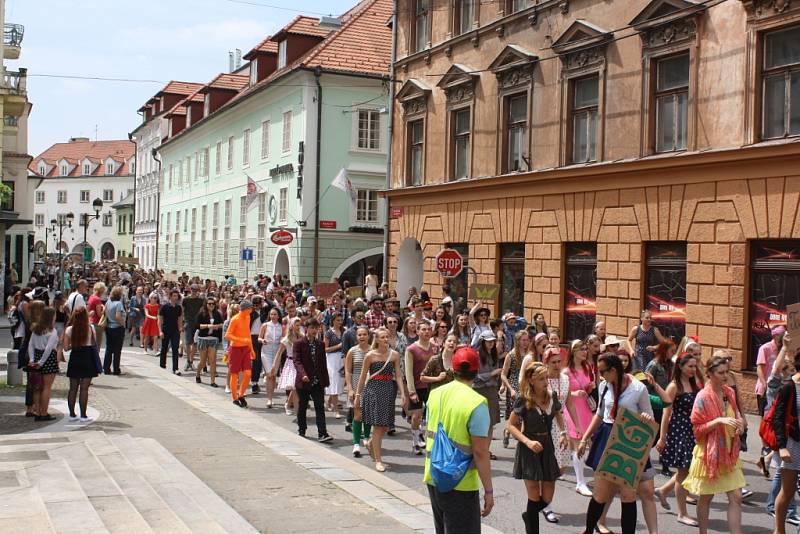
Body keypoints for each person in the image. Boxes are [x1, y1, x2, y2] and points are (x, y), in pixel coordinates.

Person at [578, 353, 658, 534]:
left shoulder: (638, 388)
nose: (600, 376)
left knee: (628, 496)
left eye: (603, 372)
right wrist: (584, 438)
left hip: (628, 440)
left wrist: (645, 418)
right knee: (600, 494)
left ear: (613, 370)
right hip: (607, 437)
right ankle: (588, 530)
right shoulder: (604, 386)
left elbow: (650, 415)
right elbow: (599, 414)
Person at [423, 346, 494, 534]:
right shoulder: (477, 402)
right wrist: (488, 491)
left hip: (434, 475)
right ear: (477, 371)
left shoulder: (435, 394)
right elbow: (480, 451)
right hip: (460, 483)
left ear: (453, 370)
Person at [683, 354, 745, 534]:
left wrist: (740, 424)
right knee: (706, 498)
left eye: (726, 372)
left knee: (736, 497)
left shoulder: (729, 392)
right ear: (709, 374)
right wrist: (718, 421)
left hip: (729, 453)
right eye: (720, 372)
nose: (725, 376)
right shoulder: (702, 397)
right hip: (709, 455)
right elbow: (697, 430)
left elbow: (736, 415)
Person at [507, 361, 568, 534]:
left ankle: (530, 514)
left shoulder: (551, 396)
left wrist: (563, 432)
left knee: (547, 497)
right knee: (534, 495)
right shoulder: (524, 399)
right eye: (541, 379)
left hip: (547, 448)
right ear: (531, 381)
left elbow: (558, 413)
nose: (545, 382)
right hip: (529, 449)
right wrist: (527, 442)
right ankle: (533, 528)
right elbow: (510, 425)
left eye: (546, 378)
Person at [654, 352, 704, 527]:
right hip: (679, 431)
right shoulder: (674, 386)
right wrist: (662, 438)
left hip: (692, 431)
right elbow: (666, 414)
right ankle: (682, 513)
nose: (693, 369)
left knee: (688, 469)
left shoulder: (695, 384)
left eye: (694, 365)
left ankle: (663, 490)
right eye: (690, 366)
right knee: (684, 471)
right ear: (680, 367)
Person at [356, 327, 407, 471]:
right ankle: (378, 460)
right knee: (378, 427)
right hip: (374, 391)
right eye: (383, 337)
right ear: (377, 339)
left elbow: (397, 375)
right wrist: (358, 396)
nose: (386, 340)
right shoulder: (370, 356)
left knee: (385, 426)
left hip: (388, 390)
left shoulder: (395, 355)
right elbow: (362, 377)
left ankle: (370, 443)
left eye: (387, 337)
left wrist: (402, 393)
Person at [563, 339, 595, 497]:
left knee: (584, 444)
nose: (585, 351)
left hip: (586, 409)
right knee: (578, 445)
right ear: (573, 351)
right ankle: (580, 482)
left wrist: (589, 388)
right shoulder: (565, 372)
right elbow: (560, 393)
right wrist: (574, 394)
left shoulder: (587, 367)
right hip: (572, 410)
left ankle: (560, 463)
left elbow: (587, 387)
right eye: (581, 349)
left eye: (585, 349)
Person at [293, 318, 333, 442]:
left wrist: (325, 380)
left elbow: (323, 363)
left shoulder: (320, 344)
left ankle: (323, 433)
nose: (314, 330)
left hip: (317, 381)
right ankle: (302, 429)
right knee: (303, 406)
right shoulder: (299, 343)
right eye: (312, 328)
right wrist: (303, 374)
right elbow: (297, 361)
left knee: (319, 407)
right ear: (306, 329)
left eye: (316, 328)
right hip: (304, 381)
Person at [405, 321, 437, 455]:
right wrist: (411, 391)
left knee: (432, 416)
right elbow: (408, 371)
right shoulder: (411, 349)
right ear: (417, 332)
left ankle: (428, 440)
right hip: (417, 386)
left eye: (428, 329)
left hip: (431, 385)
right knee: (416, 415)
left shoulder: (435, 347)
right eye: (423, 329)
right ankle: (415, 439)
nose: (426, 332)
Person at [64, 307, 98, 422]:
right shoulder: (90, 328)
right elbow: (95, 343)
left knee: (73, 388)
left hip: (75, 356)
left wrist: (73, 344)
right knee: (84, 389)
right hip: (87, 357)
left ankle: (72, 414)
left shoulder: (69, 329)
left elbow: (65, 348)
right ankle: (83, 415)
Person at [473, 329, 502, 460]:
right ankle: (477, 449)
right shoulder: (477, 355)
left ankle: (486, 450)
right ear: (482, 342)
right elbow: (475, 377)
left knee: (491, 422)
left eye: (492, 341)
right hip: (479, 391)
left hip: (492, 390)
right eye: (488, 341)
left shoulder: (494, 354)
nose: (491, 344)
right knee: (478, 422)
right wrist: (491, 374)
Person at [27, 307, 59, 422]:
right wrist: (41, 362)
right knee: (46, 387)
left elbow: (30, 345)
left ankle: (37, 411)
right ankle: (44, 412)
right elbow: (49, 349)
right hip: (48, 359)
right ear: (51, 317)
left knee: (36, 388)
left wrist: (32, 359)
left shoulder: (36, 329)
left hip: (35, 357)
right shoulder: (52, 331)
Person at [345, 325, 372, 457]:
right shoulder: (352, 351)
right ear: (356, 336)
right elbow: (348, 371)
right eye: (359, 334)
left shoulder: (374, 350)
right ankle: (356, 443)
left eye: (364, 334)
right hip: (356, 384)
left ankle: (366, 438)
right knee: (358, 414)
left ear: (368, 336)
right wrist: (350, 388)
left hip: (371, 384)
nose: (362, 337)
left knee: (368, 414)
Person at [225, 299, 255, 407]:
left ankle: (241, 394)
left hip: (245, 349)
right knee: (234, 374)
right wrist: (242, 341)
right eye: (250, 308)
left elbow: (247, 333)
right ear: (246, 309)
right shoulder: (235, 319)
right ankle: (234, 397)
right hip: (235, 349)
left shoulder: (247, 317)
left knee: (248, 373)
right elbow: (227, 335)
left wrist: (251, 349)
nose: (252, 309)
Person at [273, 317, 301, 416]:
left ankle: (288, 404)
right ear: (292, 326)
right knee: (294, 387)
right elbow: (279, 353)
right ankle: (298, 412)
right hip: (290, 363)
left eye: (299, 325)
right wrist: (274, 366)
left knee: (296, 387)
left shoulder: (301, 337)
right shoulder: (286, 339)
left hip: (300, 364)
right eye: (296, 325)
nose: (298, 327)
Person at [258, 307, 283, 408]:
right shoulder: (265, 325)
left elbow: (284, 338)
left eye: (275, 314)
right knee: (269, 374)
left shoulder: (281, 326)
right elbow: (259, 337)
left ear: (278, 316)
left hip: (277, 351)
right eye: (271, 314)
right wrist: (262, 340)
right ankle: (269, 399)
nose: (273, 316)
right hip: (266, 351)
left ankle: (271, 397)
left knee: (273, 375)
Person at [195, 297, 223, 387]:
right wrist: (208, 326)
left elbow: (222, 324)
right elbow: (197, 325)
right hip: (203, 339)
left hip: (213, 339)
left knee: (212, 361)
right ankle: (198, 374)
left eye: (213, 304)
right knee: (203, 362)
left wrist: (217, 326)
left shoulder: (217, 314)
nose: (211, 305)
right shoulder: (201, 313)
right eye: (209, 304)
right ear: (206, 304)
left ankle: (212, 381)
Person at [324, 313, 345, 418]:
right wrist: (338, 346)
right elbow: (325, 349)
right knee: (334, 383)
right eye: (338, 320)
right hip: (332, 359)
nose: (340, 322)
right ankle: (336, 410)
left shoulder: (344, 331)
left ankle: (329, 401)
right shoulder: (328, 333)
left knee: (341, 382)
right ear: (333, 321)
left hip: (342, 358)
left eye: (341, 320)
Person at [158, 290, 184, 375]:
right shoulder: (164, 307)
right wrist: (160, 331)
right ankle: (162, 365)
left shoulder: (178, 307)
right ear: (170, 296)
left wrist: (180, 328)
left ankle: (175, 368)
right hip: (165, 330)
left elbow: (180, 319)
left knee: (175, 349)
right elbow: (160, 320)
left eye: (177, 296)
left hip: (175, 331)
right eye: (174, 296)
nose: (175, 298)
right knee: (164, 348)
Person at [103, 286, 126, 375]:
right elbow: (118, 316)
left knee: (109, 348)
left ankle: (106, 368)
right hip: (117, 328)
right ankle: (116, 369)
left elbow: (104, 312)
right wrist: (123, 324)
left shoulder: (108, 302)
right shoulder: (118, 304)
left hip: (109, 327)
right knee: (117, 350)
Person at [181, 284, 205, 372]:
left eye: (196, 290)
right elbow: (182, 311)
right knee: (188, 343)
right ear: (190, 290)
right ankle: (188, 361)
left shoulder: (201, 300)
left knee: (195, 343)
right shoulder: (186, 299)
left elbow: (202, 311)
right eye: (193, 289)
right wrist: (182, 323)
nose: (194, 291)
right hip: (188, 322)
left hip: (197, 324)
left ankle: (191, 361)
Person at [87, 282, 107, 349]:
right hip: (97, 323)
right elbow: (99, 314)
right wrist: (104, 310)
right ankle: (95, 359)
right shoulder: (97, 299)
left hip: (91, 321)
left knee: (91, 343)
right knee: (97, 345)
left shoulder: (91, 297)